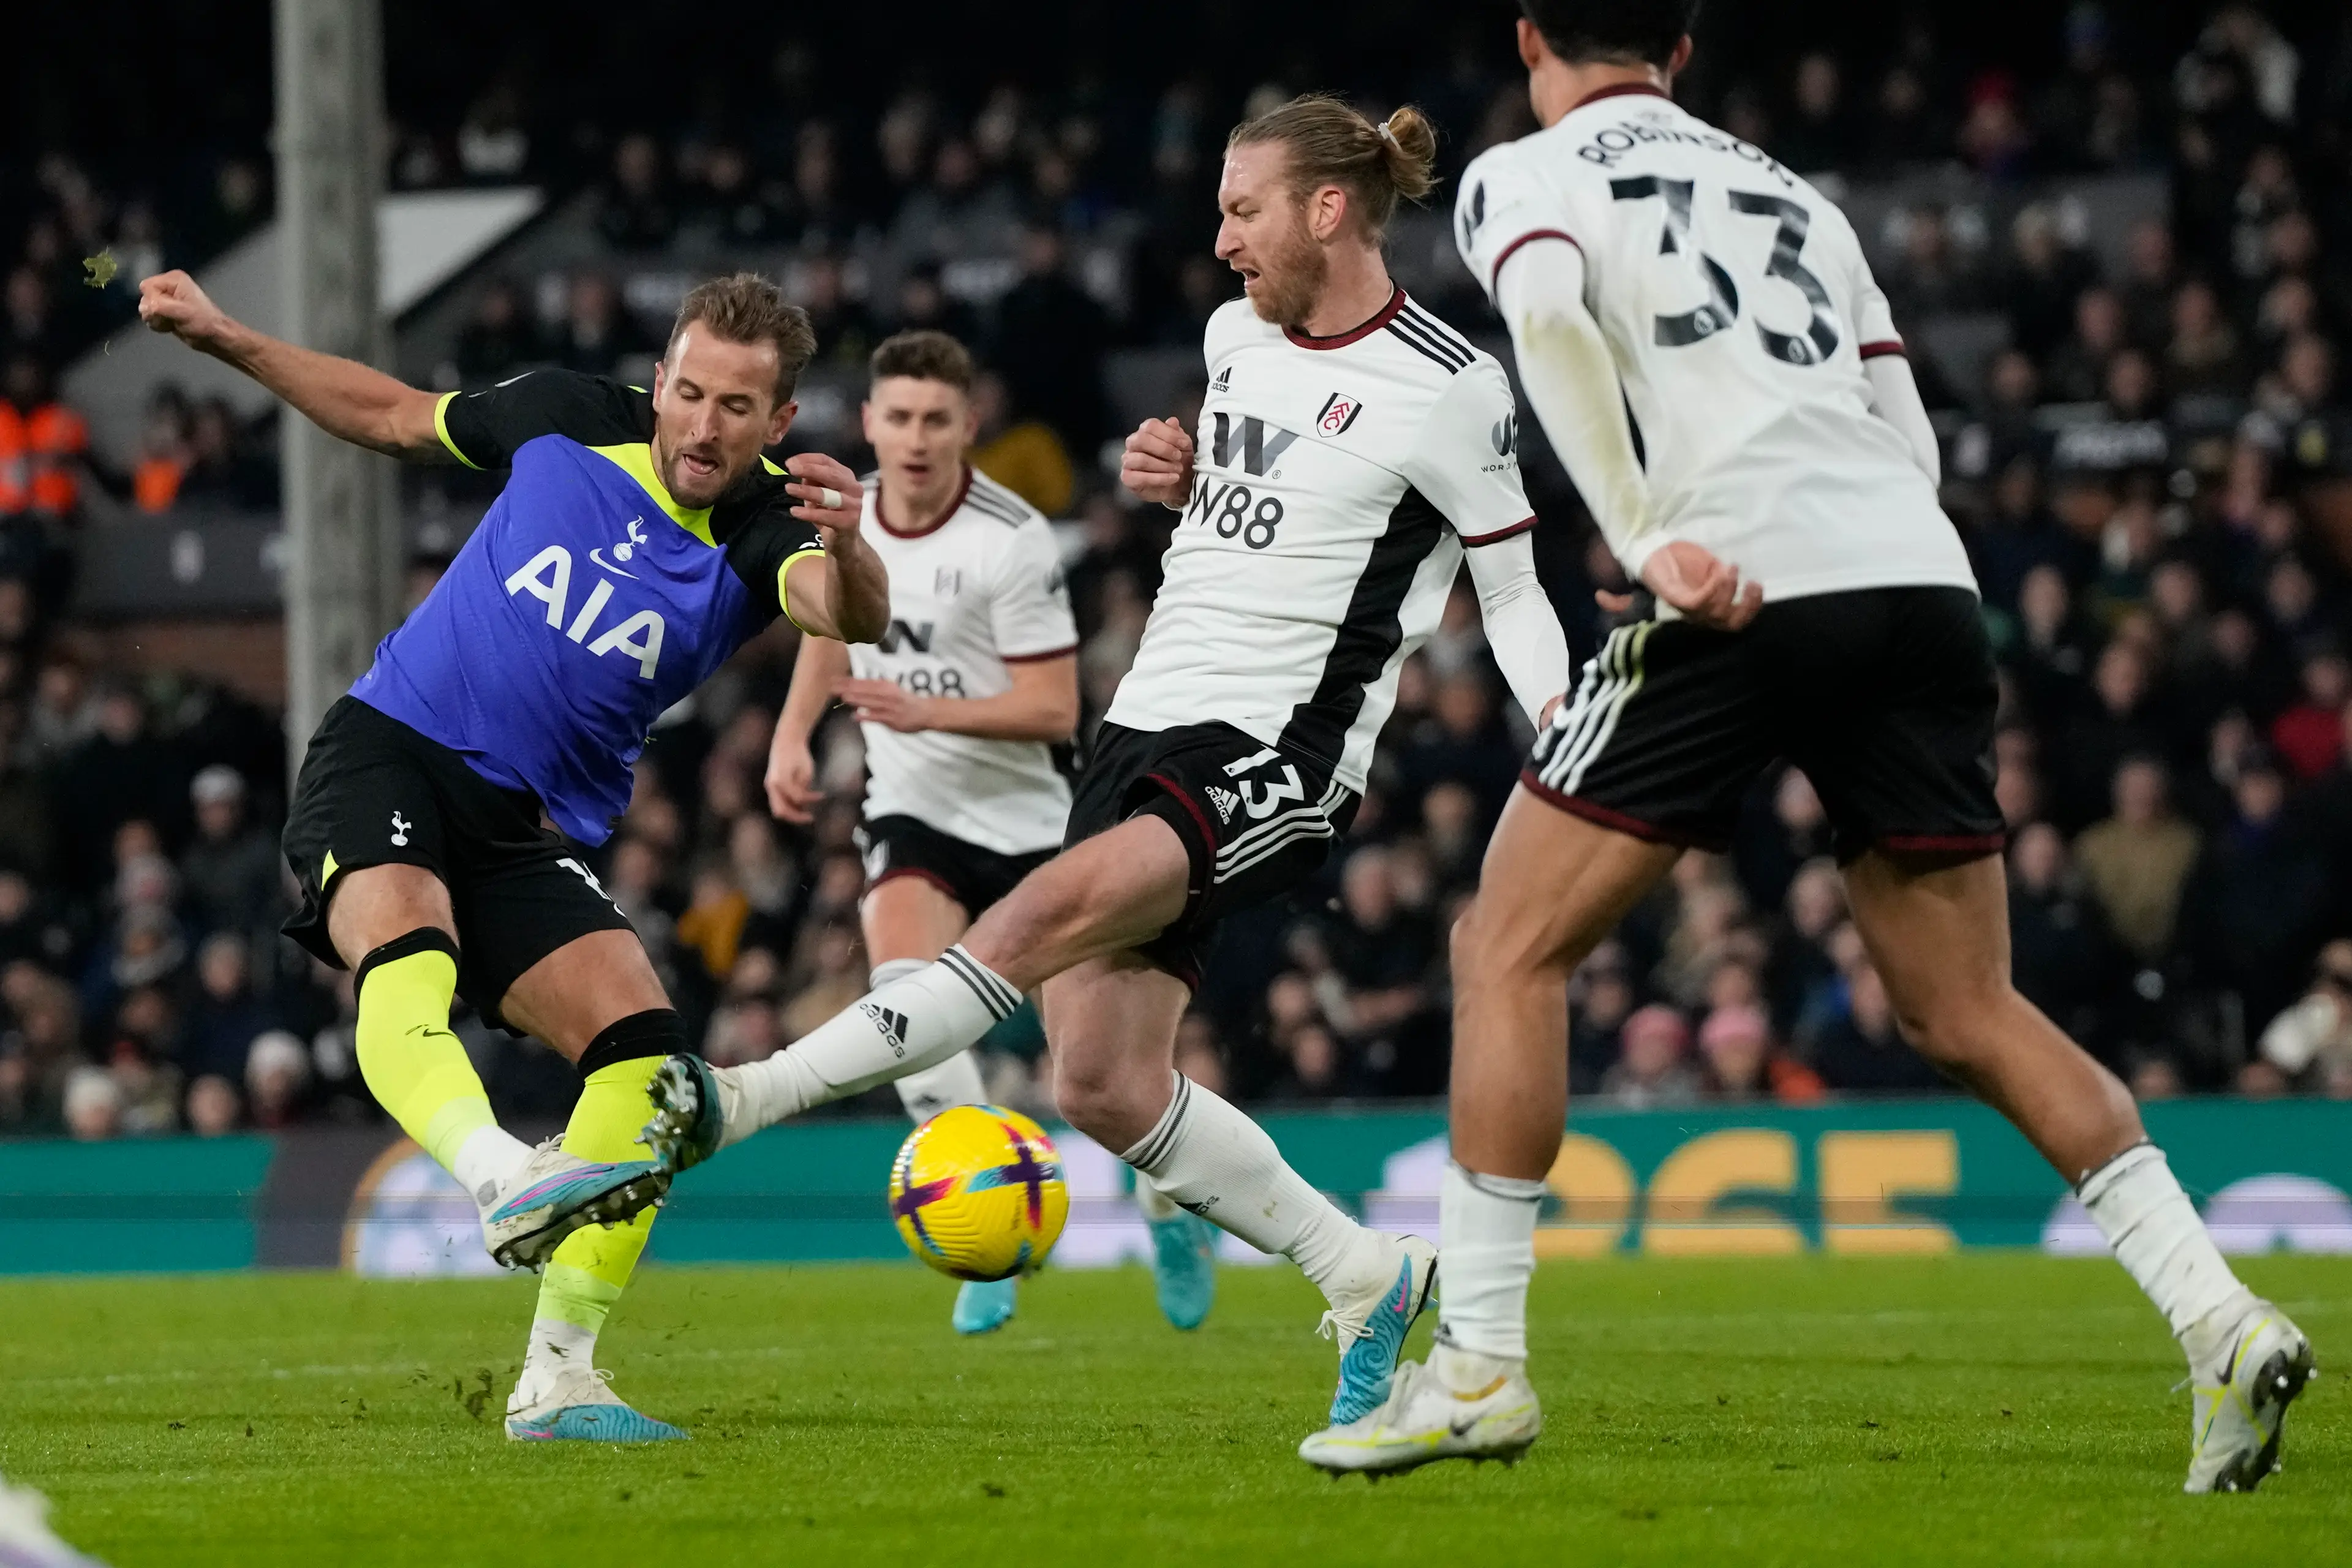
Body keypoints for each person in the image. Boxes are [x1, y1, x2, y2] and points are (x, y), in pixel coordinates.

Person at [1300, 0, 2312, 1492]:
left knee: (1504, 948)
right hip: (1919, 580)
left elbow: (1556, 324)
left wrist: (1647, 531)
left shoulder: (1527, 173)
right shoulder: (1799, 194)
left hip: (1744, 578)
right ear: (1681, 52)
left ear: (1528, 40)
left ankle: (1479, 1368)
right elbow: (1907, 424)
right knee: (1967, 1005)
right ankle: (2219, 1314)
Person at [643, 94, 1570, 1434]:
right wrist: (1183, 479)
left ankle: (736, 1102)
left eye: (1242, 210)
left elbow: (1518, 589)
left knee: (1029, 919)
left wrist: (1567, 743)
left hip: (1276, 750)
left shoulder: (1451, 384)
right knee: (1098, 1081)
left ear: (1326, 209)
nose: (1221, 240)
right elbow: (1278, 505)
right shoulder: (1236, 338)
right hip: (1141, 726)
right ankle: (1367, 1275)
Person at [136, 266, 888, 1442]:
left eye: (738, 408)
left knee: (652, 1070)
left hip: (520, 831)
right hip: (391, 750)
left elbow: (850, 615)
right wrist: (229, 337)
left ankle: (558, 1380)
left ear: (779, 420)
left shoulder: (770, 526)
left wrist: (853, 544)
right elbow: (389, 413)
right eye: (691, 393)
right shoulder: (565, 415)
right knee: (409, 953)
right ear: (660, 380)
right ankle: (502, 1175)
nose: (705, 426)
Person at [767, 328, 1215, 1337]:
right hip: (914, 814)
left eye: (937, 419)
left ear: (969, 425)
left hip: (1038, 828)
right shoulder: (848, 519)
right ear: (870, 422)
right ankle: (991, 1230)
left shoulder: (1011, 539)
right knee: (906, 1013)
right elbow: (831, 626)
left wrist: (925, 709)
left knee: (1102, 1079)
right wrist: (792, 737)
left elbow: (1055, 708)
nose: (917, 439)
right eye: (899, 417)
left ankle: (1171, 1206)